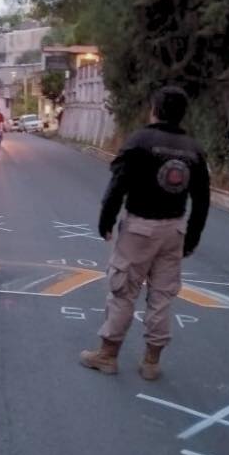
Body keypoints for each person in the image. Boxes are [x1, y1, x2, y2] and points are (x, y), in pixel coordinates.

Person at [79, 86, 210, 380]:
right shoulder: (194, 149)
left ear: (155, 109)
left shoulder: (141, 141)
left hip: (139, 228)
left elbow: (118, 184)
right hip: (174, 229)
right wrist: (192, 238)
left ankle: (107, 355)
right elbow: (202, 200)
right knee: (162, 295)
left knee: (124, 290)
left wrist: (106, 220)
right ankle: (151, 362)